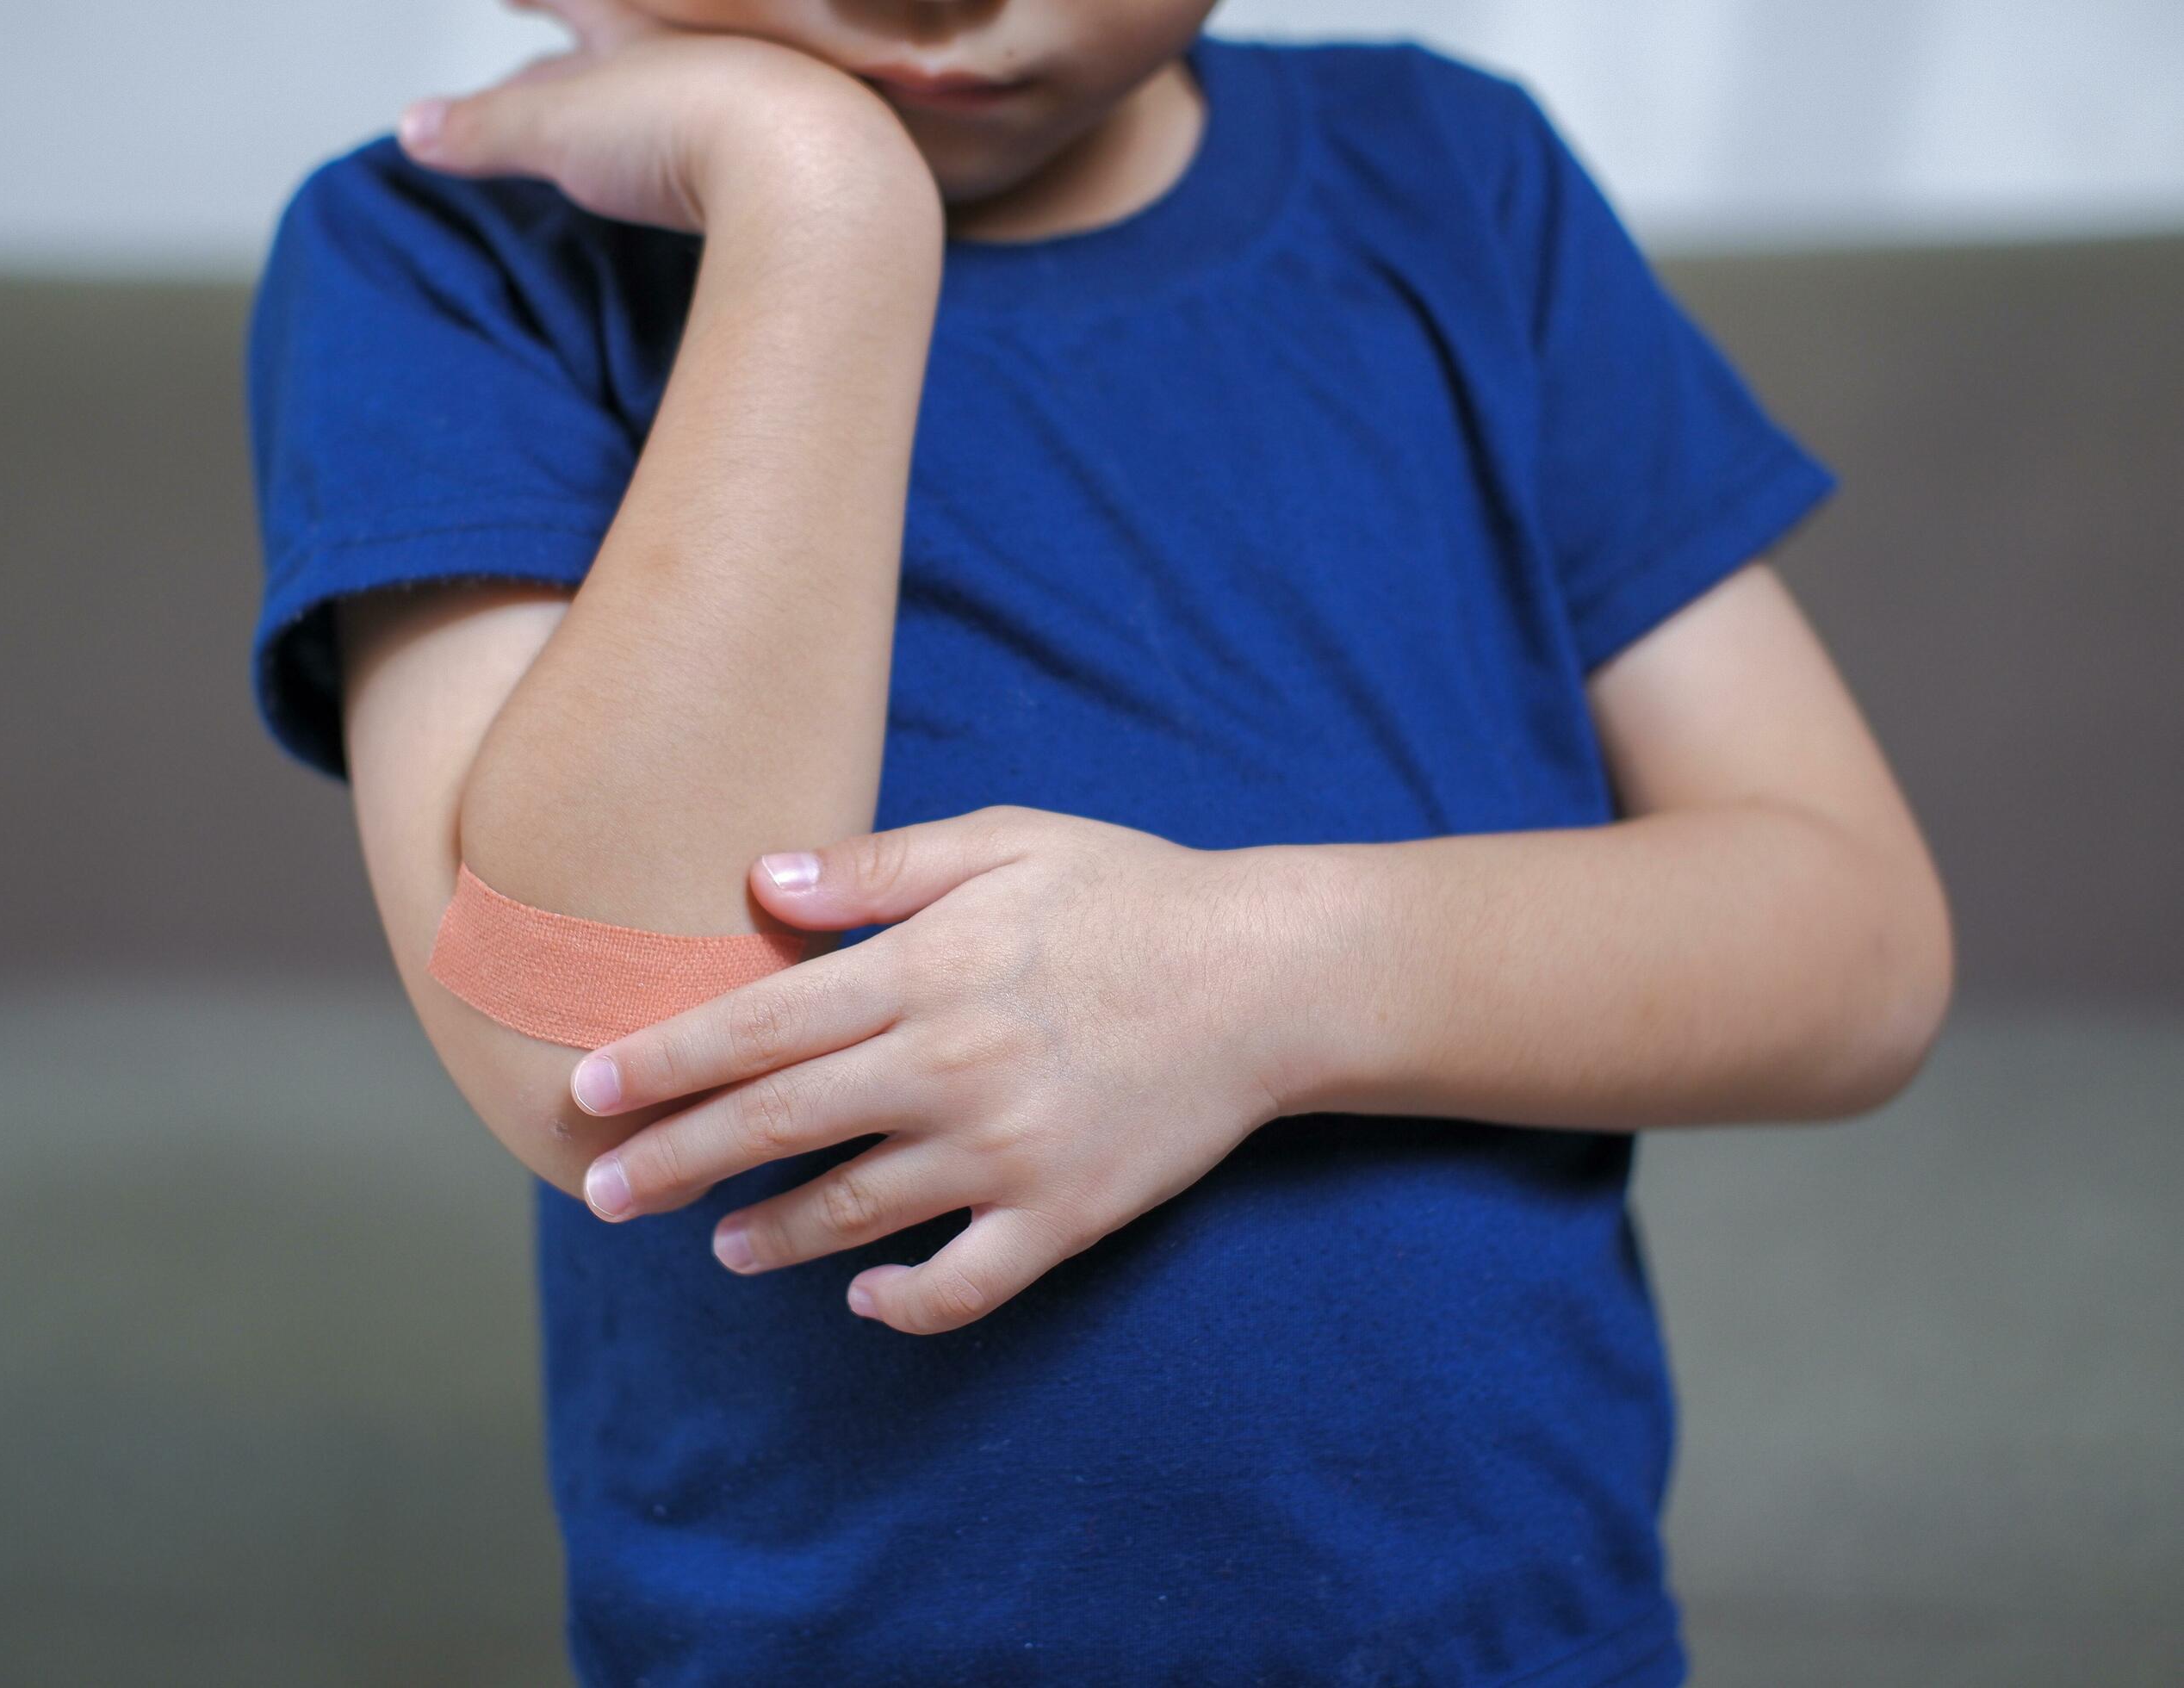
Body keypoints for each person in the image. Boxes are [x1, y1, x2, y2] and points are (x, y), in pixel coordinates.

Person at [242, 0, 1955, 1679]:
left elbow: (1854, 944)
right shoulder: (443, 255)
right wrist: (818, 206)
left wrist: (1254, 975)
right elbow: (598, 1048)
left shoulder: (1458, 176)